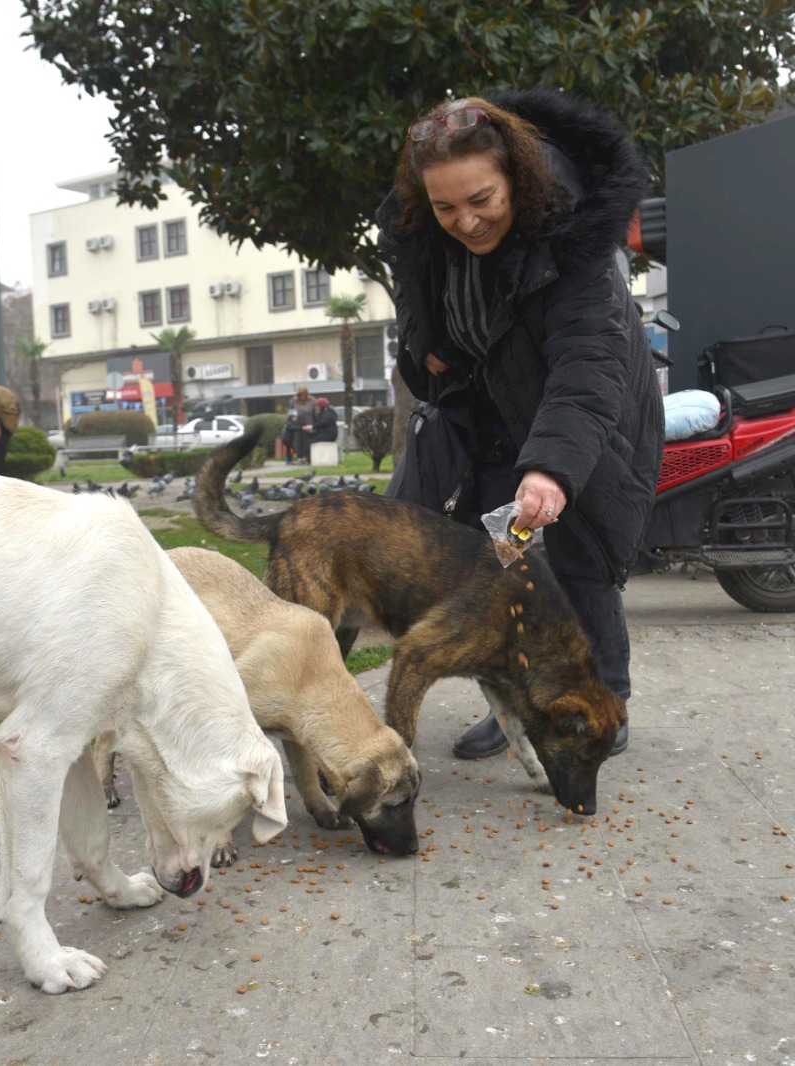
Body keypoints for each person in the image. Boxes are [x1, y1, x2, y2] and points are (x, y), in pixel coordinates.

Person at [377, 90, 663, 761]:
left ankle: (604, 703)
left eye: (482, 200)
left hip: (588, 420)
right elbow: (421, 314)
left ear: (517, 179)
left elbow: (588, 365)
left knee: (577, 562)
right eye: (445, 207)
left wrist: (553, 468)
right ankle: (517, 701)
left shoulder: (573, 243)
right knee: (500, 564)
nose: (467, 222)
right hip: (496, 422)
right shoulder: (428, 243)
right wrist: (425, 350)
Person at [283, 386, 313, 463]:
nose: (302, 396)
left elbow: (315, 413)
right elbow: (290, 413)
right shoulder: (293, 401)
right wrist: (293, 419)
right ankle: (298, 457)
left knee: (307, 441)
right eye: (301, 394)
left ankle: (306, 457)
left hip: (308, 425)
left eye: (304, 394)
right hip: (297, 426)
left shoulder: (312, 401)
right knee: (296, 442)